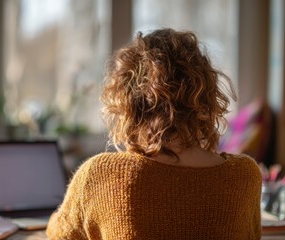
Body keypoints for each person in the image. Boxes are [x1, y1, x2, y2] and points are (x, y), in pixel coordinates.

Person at [46, 28, 262, 240]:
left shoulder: (99, 175)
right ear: (205, 97)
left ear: (127, 103)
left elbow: (59, 234)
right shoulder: (244, 176)